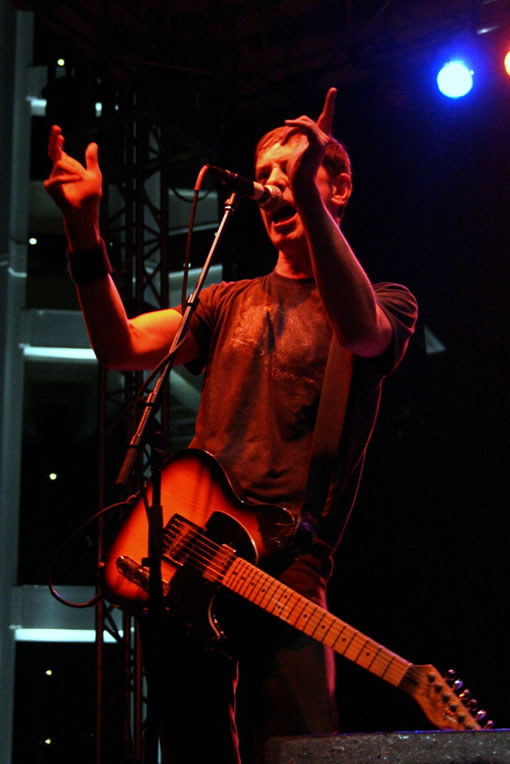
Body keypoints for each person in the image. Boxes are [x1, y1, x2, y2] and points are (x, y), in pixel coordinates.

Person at [45, 88, 418, 763]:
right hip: (190, 556)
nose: (274, 185)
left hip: (288, 570)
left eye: (294, 170)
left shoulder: (385, 300)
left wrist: (305, 192)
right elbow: (121, 345)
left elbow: (363, 333)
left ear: (339, 186)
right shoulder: (226, 300)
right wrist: (83, 234)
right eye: (267, 174)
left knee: (297, 750)